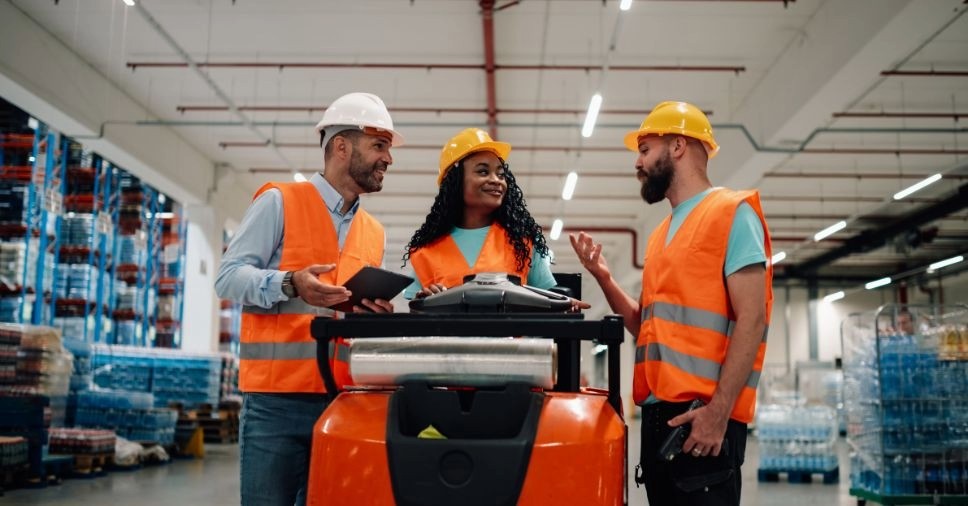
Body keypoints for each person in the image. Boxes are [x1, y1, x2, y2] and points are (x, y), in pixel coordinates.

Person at [569, 101, 772, 505]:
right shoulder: (661, 233)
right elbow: (645, 326)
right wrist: (604, 279)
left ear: (678, 145)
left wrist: (718, 413)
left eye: (645, 150)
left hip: (704, 422)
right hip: (660, 423)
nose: (637, 163)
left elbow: (753, 319)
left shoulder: (732, 212)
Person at [215, 92, 403, 506]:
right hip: (274, 404)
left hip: (341, 400)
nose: (388, 158)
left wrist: (371, 314)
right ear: (341, 146)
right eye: (379, 145)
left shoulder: (375, 232)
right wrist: (289, 283)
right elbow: (228, 279)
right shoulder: (279, 202)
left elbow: (351, 322)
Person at [403, 127, 585, 308]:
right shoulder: (426, 253)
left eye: (501, 174)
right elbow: (416, 320)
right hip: (448, 338)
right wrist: (426, 303)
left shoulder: (523, 243)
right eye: (483, 172)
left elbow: (550, 305)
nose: (496, 180)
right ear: (455, 182)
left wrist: (568, 306)